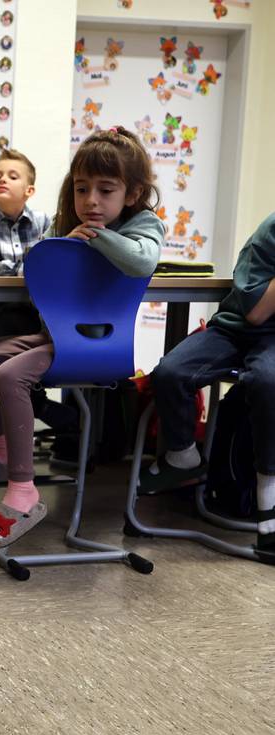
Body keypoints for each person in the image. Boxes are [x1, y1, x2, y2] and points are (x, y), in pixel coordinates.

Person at [0, 128, 164, 548]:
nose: (91, 200)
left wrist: (97, 236)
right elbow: (39, 279)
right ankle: (3, 450)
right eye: (82, 189)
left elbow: (142, 261)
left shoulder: (143, 225)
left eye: (106, 190)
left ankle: (23, 493)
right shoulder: (69, 225)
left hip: (98, 349)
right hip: (55, 337)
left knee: (10, 376)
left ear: (133, 193)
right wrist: (62, 244)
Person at [141, 212, 275, 561]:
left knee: (267, 381)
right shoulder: (271, 230)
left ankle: (268, 499)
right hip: (235, 328)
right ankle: (183, 456)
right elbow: (256, 313)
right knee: (169, 372)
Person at [0, 147, 74, 445]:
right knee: (5, 360)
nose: (2, 179)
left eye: (12, 176)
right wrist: (28, 269)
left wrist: (28, 269)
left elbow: (51, 263)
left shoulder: (45, 222)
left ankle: (40, 413)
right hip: (3, 317)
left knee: (27, 368)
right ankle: (39, 410)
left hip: (40, 317)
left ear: (29, 190)